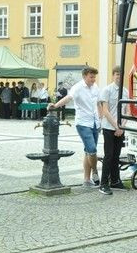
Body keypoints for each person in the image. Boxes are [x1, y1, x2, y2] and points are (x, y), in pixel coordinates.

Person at [48, 67, 102, 188]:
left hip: (94, 123)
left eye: (94, 77)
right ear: (84, 76)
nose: (93, 79)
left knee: (87, 151)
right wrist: (56, 105)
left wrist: (100, 119)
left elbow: (98, 103)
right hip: (83, 123)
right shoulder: (77, 87)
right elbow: (68, 98)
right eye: (91, 77)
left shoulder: (95, 87)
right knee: (92, 150)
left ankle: (87, 180)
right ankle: (95, 172)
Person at [99, 66, 129, 195]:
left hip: (120, 128)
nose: (118, 76)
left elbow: (127, 110)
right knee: (109, 156)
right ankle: (103, 184)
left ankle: (115, 181)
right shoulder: (107, 90)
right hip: (108, 127)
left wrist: (122, 126)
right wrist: (116, 126)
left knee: (116, 156)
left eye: (120, 74)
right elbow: (105, 110)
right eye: (116, 74)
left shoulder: (126, 91)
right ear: (113, 75)